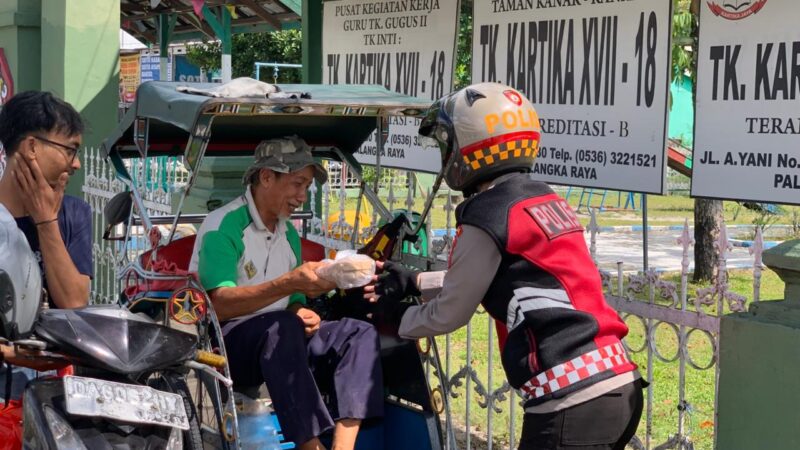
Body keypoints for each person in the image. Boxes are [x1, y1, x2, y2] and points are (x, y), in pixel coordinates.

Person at [365, 83, 644, 450]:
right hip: (616, 381)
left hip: (571, 395)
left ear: (467, 146)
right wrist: (416, 281)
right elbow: (511, 276)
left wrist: (391, 318)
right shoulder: (541, 199)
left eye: (446, 145)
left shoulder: (486, 215)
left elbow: (450, 313)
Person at [189, 136, 384, 450]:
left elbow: (293, 300)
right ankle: (311, 446)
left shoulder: (288, 232)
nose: (302, 196)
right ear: (266, 177)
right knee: (281, 327)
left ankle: (343, 446)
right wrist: (289, 286)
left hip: (282, 337)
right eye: (297, 184)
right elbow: (218, 306)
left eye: (306, 187)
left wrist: (298, 308)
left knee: (358, 333)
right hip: (228, 347)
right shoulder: (222, 226)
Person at [0, 91, 92, 400]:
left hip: (57, 385)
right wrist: (7, 353)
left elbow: (74, 304)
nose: (76, 163)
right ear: (31, 148)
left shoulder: (74, 213)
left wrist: (45, 221)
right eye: (70, 149)